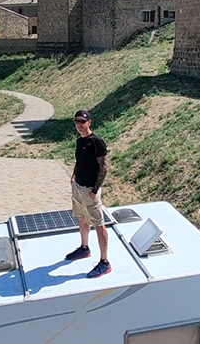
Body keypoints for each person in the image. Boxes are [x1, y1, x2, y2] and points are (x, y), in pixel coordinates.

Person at [65, 109, 111, 278]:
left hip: (90, 190)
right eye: (76, 122)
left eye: (82, 122)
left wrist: (94, 190)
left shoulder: (96, 142)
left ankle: (105, 262)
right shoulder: (80, 141)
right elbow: (80, 161)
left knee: (99, 224)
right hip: (78, 187)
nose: (79, 125)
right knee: (82, 217)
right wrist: (74, 174)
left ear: (89, 123)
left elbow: (104, 168)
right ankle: (85, 248)